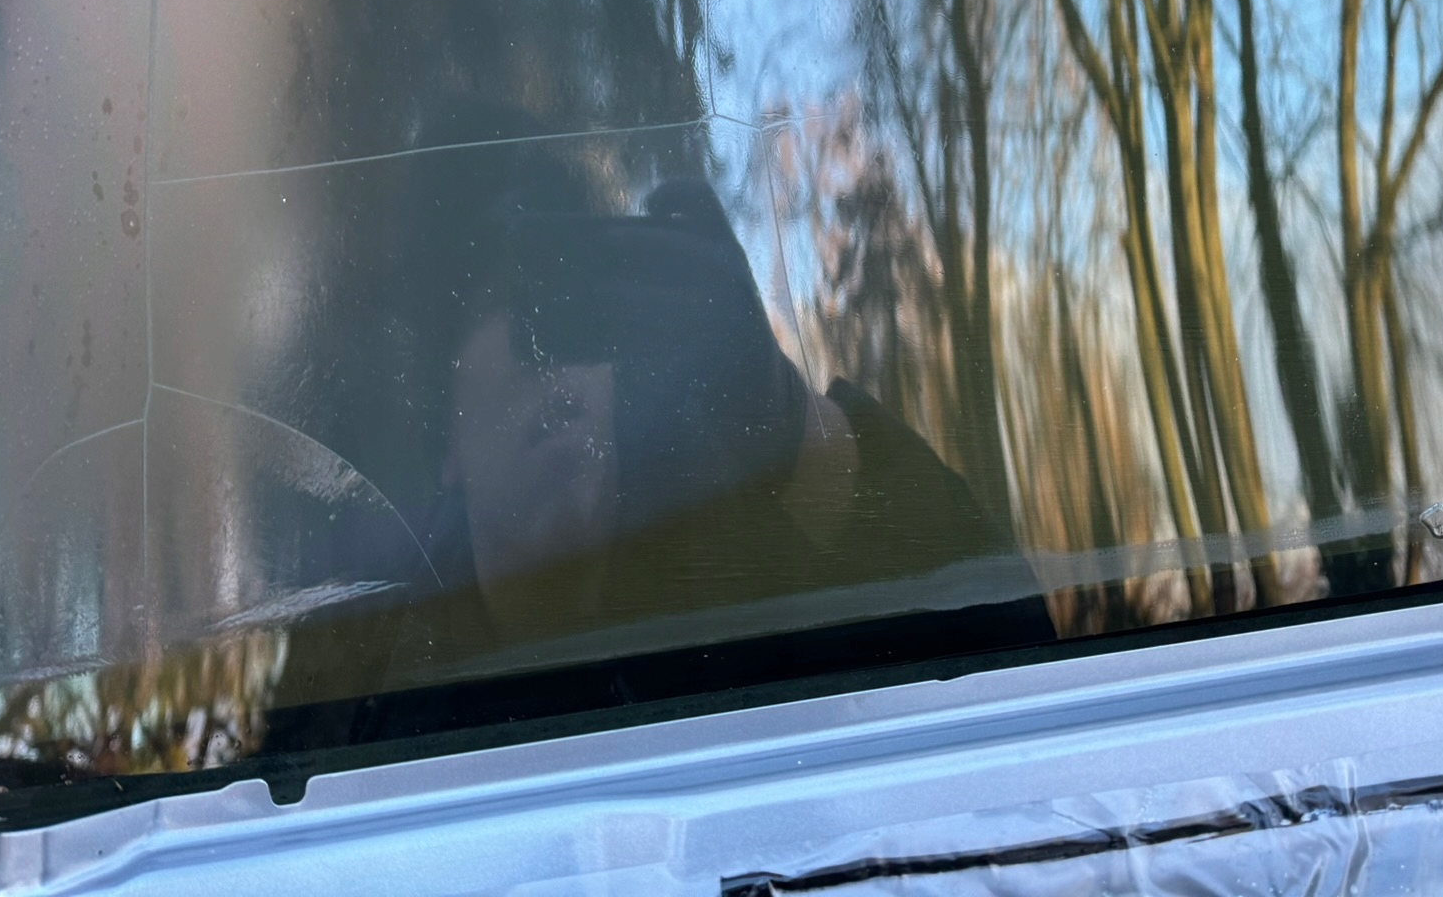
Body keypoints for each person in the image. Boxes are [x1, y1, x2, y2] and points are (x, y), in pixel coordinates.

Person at [267, 151, 1053, 728]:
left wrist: (794, 430)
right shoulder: (359, 661)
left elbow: (1018, 699)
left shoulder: (751, 593)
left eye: (587, 313)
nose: (561, 359)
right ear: (446, 435)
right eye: (525, 310)